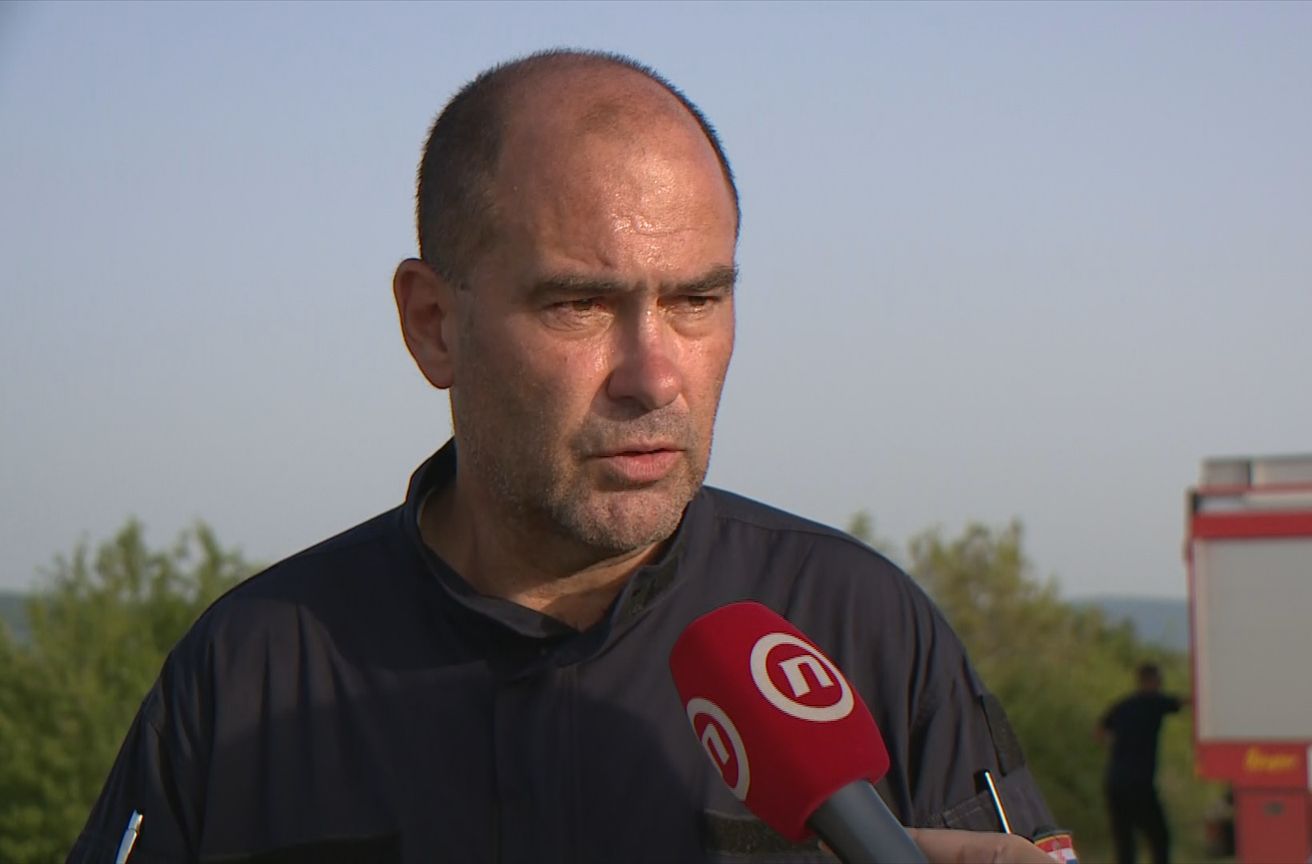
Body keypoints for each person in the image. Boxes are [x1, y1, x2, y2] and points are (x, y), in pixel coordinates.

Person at [68, 50, 1063, 864]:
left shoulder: (865, 632)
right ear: (432, 324)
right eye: (580, 304)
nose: (655, 377)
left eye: (697, 300)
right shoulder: (246, 675)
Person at [1097, 662, 1184, 864]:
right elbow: (1183, 702)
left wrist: (1117, 745)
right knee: (1159, 837)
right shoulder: (1155, 702)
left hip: (1115, 781)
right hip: (1139, 783)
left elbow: (1099, 731)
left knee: (1124, 842)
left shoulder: (1123, 705)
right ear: (1153, 681)